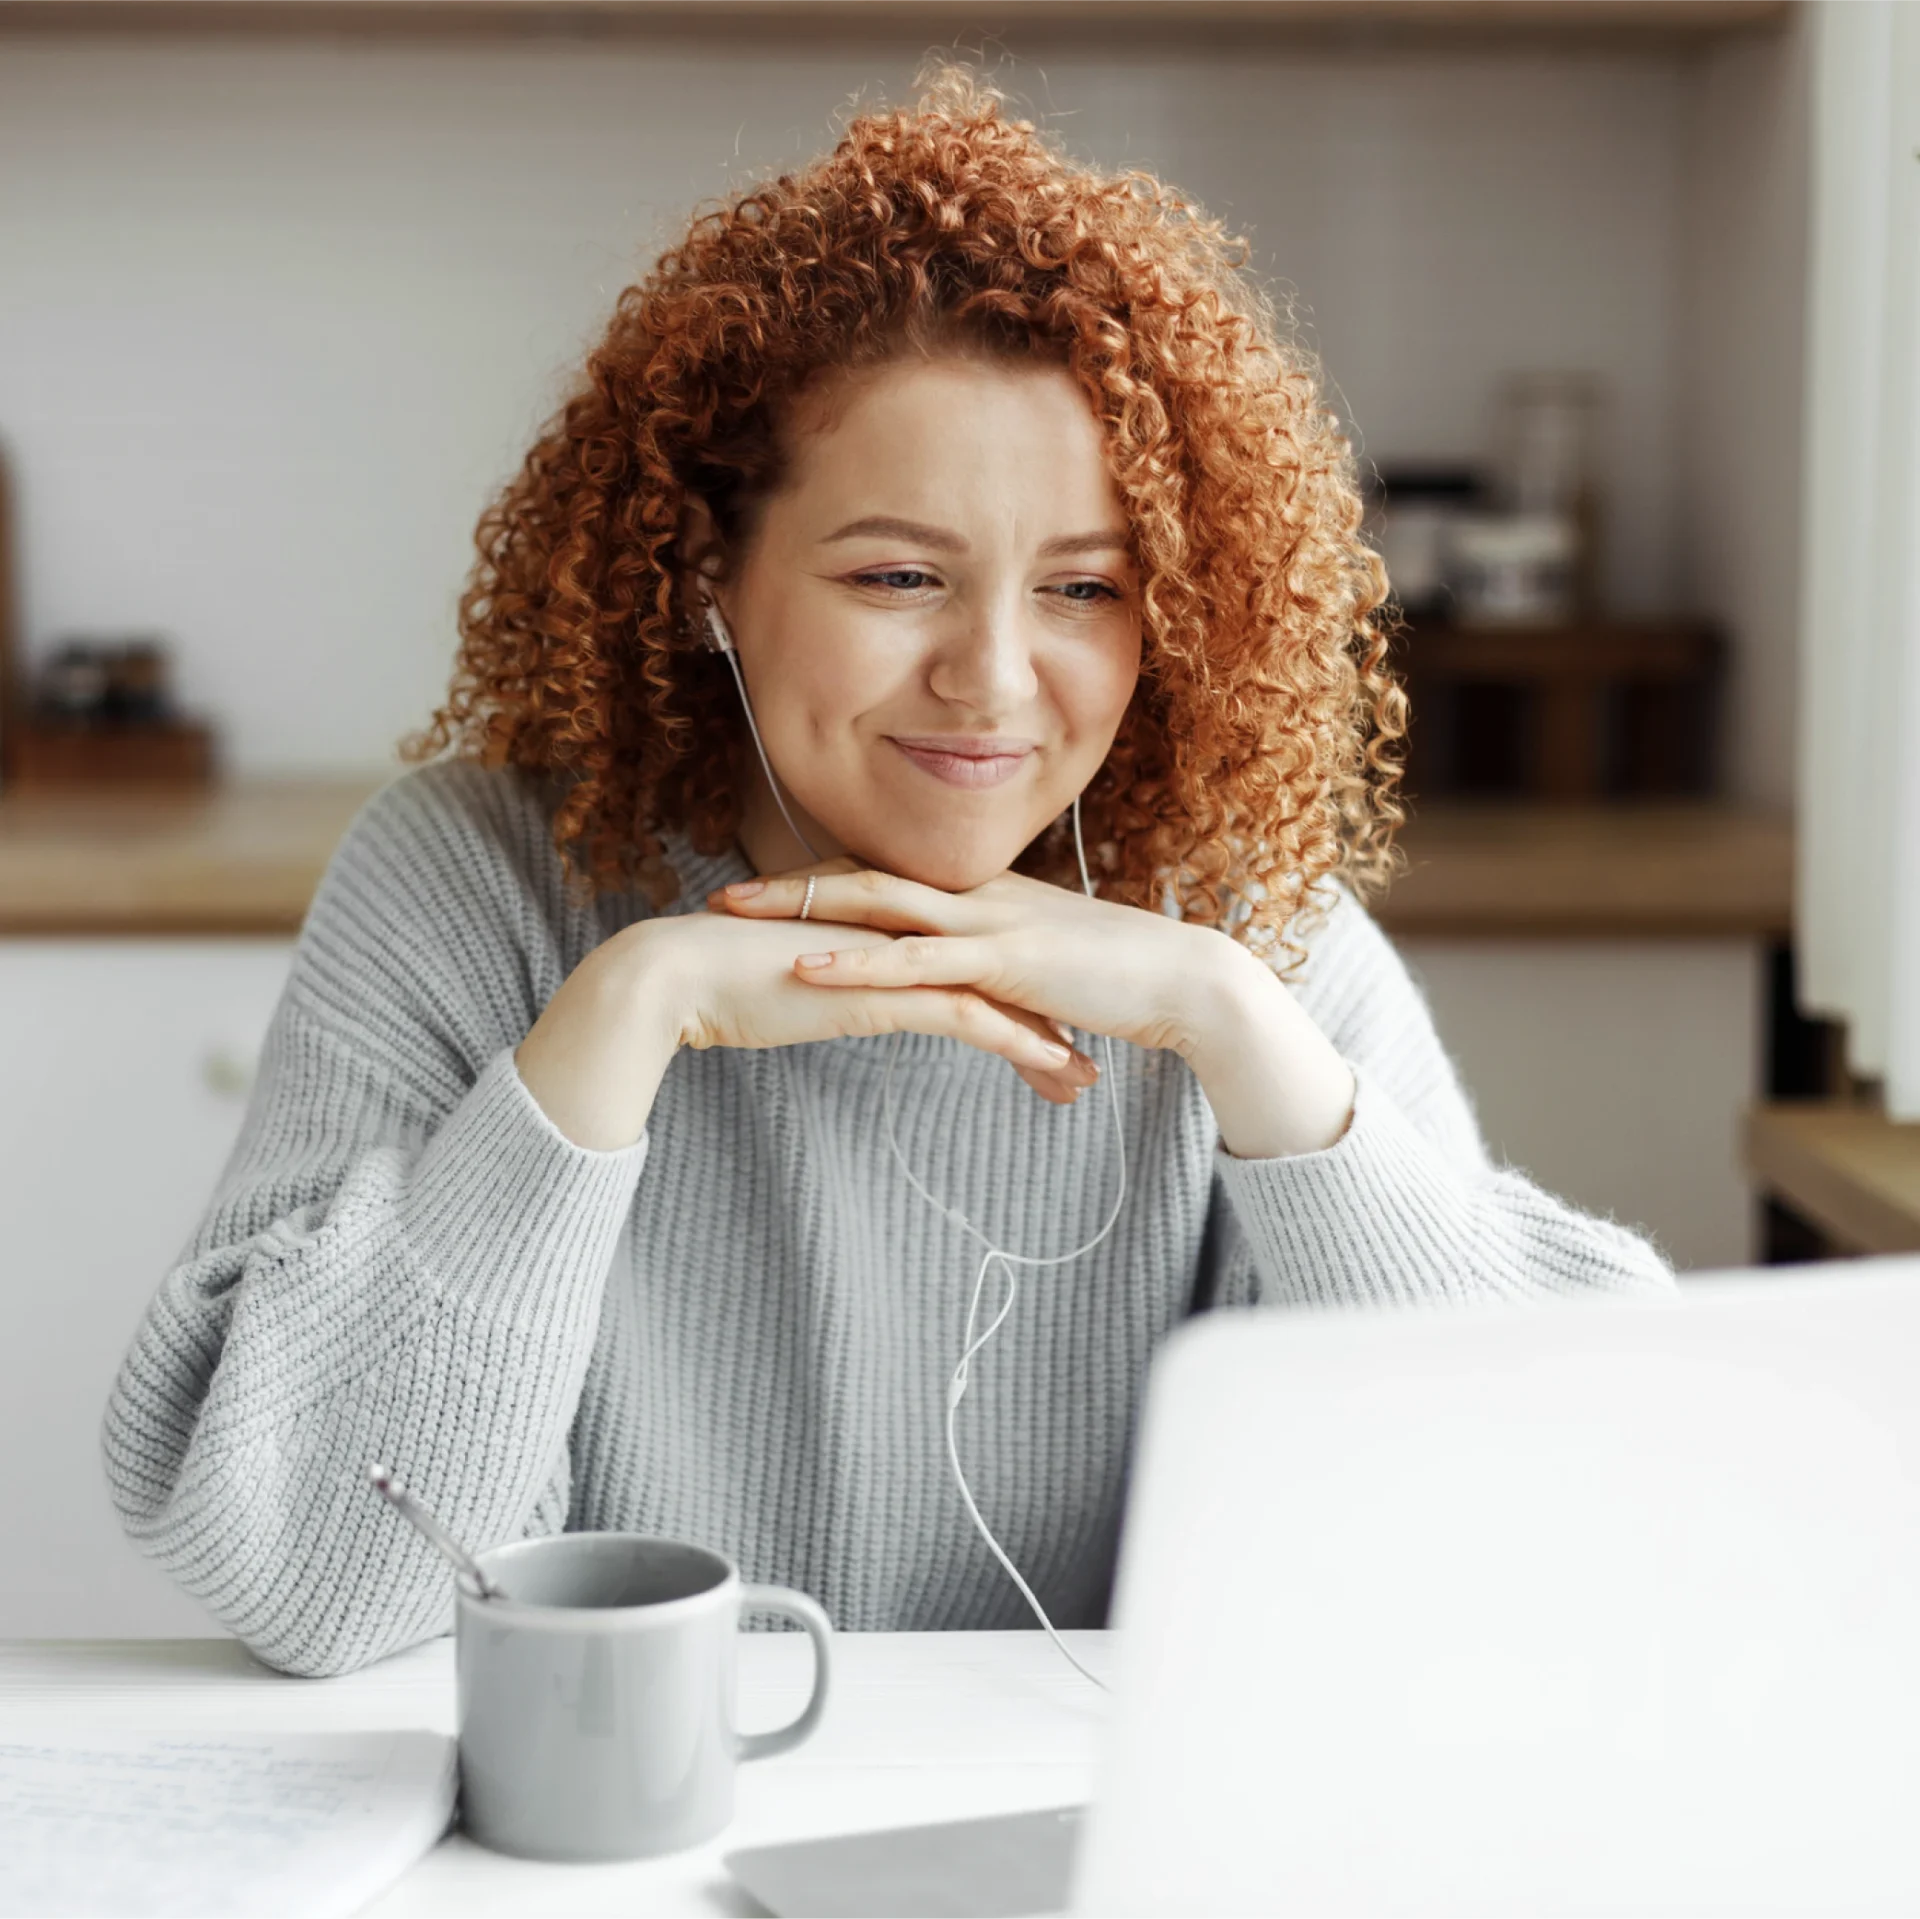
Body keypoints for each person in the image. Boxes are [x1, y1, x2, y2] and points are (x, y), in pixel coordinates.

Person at [102, 66, 1673, 1681]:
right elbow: (316, 1585)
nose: (993, 679)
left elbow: (1551, 1542)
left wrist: (1235, 1026)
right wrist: (615, 1024)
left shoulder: (1243, 924)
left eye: (1082, 589)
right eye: (901, 575)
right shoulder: (470, 881)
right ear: (711, 570)